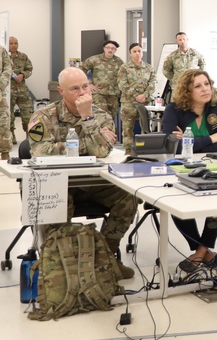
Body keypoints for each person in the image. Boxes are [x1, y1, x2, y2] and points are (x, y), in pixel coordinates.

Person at [26, 67, 138, 279]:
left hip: (93, 183)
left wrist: (87, 118)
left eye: (85, 86)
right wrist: (88, 144)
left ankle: (104, 257)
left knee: (129, 196)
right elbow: (42, 151)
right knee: (57, 203)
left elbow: (103, 151)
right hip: (59, 183)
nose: (82, 92)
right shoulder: (43, 116)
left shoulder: (101, 115)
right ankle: (62, 264)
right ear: (61, 91)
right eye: (75, 88)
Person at [161, 69, 217, 272]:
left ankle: (200, 251)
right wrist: (212, 138)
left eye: (207, 84)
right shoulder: (174, 109)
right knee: (175, 203)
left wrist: (191, 143)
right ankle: (203, 251)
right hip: (183, 170)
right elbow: (172, 145)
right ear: (187, 91)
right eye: (198, 86)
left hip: (213, 169)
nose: (205, 89)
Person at [117, 43, 155, 153]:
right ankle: (128, 151)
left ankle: (143, 150)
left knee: (145, 128)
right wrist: (136, 96)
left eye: (139, 51)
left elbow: (153, 82)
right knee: (127, 129)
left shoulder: (148, 67)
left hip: (145, 103)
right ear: (130, 53)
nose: (137, 53)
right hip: (129, 103)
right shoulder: (124, 68)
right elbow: (122, 84)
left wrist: (145, 95)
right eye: (134, 51)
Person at [81, 40, 124, 119]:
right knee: (101, 115)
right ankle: (101, 131)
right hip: (99, 92)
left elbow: (123, 76)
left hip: (113, 94)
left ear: (115, 50)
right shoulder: (95, 59)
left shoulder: (119, 62)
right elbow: (82, 69)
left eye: (113, 48)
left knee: (111, 117)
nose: (110, 50)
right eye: (108, 48)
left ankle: (109, 131)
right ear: (104, 48)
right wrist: (88, 84)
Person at [8, 36, 33, 137]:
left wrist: (22, 75)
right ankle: (10, 135)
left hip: (22, 90)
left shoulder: (23, 56)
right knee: (9, 115)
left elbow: (29, 69)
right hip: (8, 90)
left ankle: (29, 135)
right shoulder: (3, 56)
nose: (14, 45)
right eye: (11, 43)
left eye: (16, 43)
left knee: (27, 113)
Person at [0, 44, 11, 159]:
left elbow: (8, 68)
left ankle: (5, 155)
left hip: (0, 97)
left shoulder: (1, 50)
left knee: (3, 127)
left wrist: (1, 85)